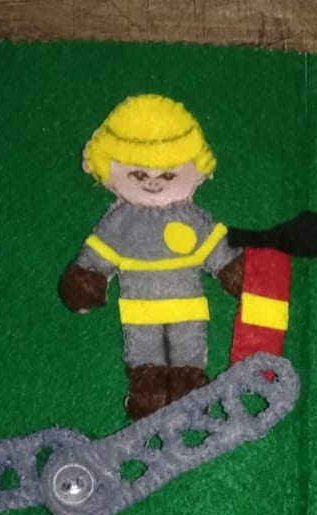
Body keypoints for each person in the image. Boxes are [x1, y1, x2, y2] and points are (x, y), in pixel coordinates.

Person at [59, 94, 244, 420]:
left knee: (188, 355)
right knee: (145, 355)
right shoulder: (120, 222)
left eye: (169, 175)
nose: (154, 183)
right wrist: (85, 279)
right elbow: (98, 255)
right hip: (140, 312)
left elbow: (217, 248)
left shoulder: (191, 218)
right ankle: (147, 391)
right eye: (138, 175)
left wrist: (235, 270)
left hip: (187, 310)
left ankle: (189, 389)